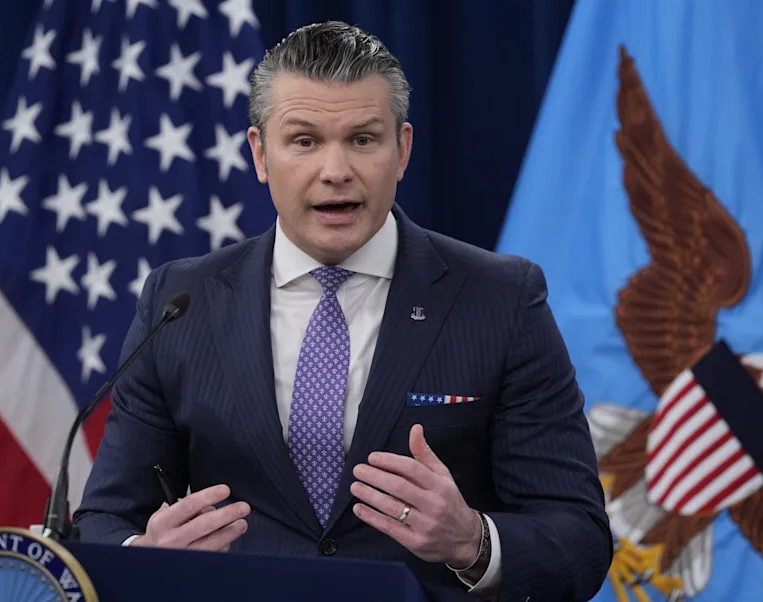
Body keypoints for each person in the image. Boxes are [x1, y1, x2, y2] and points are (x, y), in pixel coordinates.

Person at [73, 21, 611, 602]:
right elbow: (103, 519)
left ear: (401, 150)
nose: (336, 171)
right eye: (304, 141)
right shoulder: (180, 302)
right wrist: (146, 560)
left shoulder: (501, 299)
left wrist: (474, 541)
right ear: (259, 153)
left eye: (362, 139)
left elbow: (579, 538)